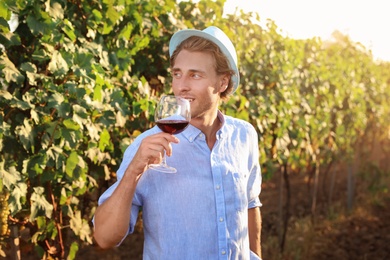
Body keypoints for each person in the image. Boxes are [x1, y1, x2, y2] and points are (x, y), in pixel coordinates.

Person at [93, 26, 262, 260]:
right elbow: (104, 237)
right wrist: (134, 171)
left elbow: (250, 206)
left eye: (195, 75)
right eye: (177, 73)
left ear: (223, 83)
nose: (181, 86)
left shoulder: (244, 136)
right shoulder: (146, 147)